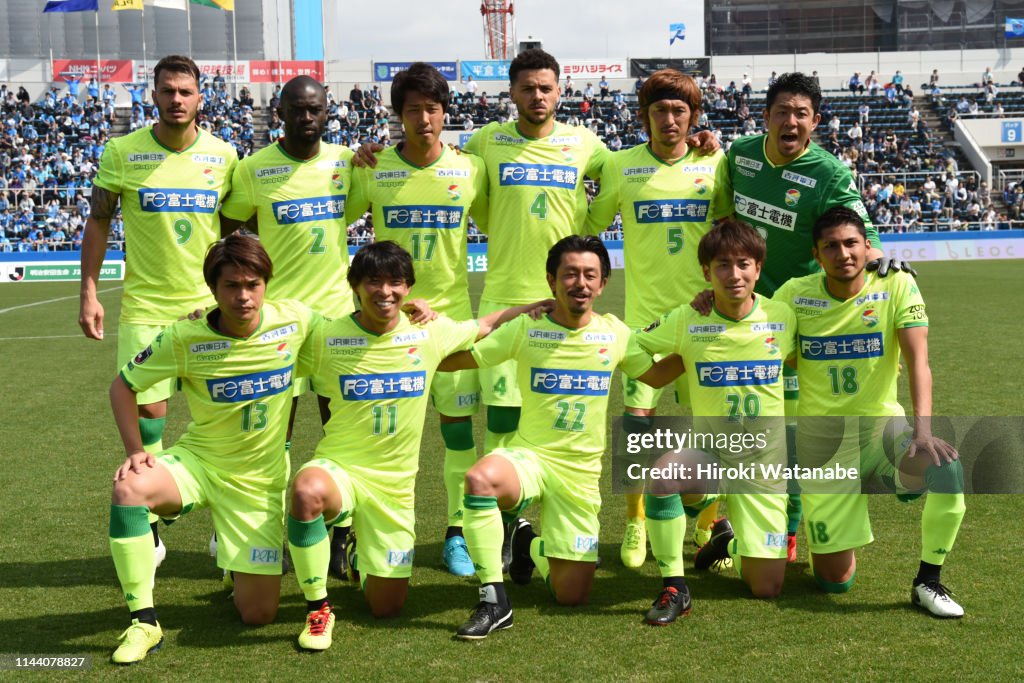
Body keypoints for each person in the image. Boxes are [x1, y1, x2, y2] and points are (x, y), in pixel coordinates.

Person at [286, 241, 547, 650]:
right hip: (341, 469)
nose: (385, 292)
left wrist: (537, 307)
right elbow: (265, 340)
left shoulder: (428, 333)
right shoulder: (327, 336)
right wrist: (207, 317)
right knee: (306, 491)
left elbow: (488, 324)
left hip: (394, 487)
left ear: (408, 288)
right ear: (354, 285)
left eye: (396, 282)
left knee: (386, 607)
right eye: (374, 281)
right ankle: (318, 607)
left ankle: (356, 557)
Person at [445, 235, 682, 639]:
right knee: (479, 479)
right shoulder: (527, 327)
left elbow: (655, 375)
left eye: (590, 275)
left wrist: (706, 342)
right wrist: (408, 343)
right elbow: (463, 358)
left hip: (579, 471)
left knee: (571, 594)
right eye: (570, 274)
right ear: (552, 280)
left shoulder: (615, 334)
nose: (580, 283)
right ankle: (492, 600)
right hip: (530, 457)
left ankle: (527, 544)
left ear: (604, 282)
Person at [721, 72, 909, 561]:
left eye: (801, 113)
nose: (790, 120)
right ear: (764, 117)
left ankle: (789, 530)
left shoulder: (828, 173)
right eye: (782, 111)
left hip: (799, 318)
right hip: (741, 312)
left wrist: (880, 256)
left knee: (793, 434)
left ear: (815, 122)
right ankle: (724, 521)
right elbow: (719, 210)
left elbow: (856, 230)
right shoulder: (738, 156)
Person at [106, 234, 315, 663]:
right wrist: (134, 450)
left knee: (258, 614)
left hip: (257, 484)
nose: (243, 296)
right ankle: (144, 622)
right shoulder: (185, 336)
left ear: (266, 284)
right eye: (231, 286)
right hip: (199, 463)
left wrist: (409, 313)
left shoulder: (295, 321)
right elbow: (124, 386)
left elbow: (358, 330)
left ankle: (235, 569)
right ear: (213, 289)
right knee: (130, 489)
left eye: (252, 284)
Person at [79, 55, 238, 566]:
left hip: (207, 307)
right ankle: (148, 519)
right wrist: (89, 291)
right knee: (149, 413)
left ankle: (225, 525)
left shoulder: (224, 155)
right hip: (146, 304)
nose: (176, 99)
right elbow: (100, 221)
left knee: (224, 417)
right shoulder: (123, 152)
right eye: (167, 90)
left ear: (199, 97)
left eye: (185, 91)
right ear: (154, 95)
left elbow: (233, 230)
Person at [771, 207, 965, 617]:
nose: (843, 253)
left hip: (882, 431)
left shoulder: (896, 283)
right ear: (817, 255)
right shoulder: (794, 293)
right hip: (823, 447)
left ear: (867, 247)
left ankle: (928, 581)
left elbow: (918, 361)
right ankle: (741, 542)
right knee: (834, 583)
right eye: (831, 246)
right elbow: (766, 345)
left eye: (850, 243)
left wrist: (923, 431)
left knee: (945, 466)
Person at [344, 62, 490, 577]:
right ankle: (361, 533)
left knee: (457, 434)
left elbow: (501, 220)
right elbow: (330, 213)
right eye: (412, 110)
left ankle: (456, 532)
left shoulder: (471, 169)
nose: (423, 119)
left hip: (448, 321)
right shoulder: (373, 167)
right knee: (374, 434)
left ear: (444, 112)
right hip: (385, 321)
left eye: (431, 108)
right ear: (397, 115)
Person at [583, 69, 731, 567]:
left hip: (703, 320)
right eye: (660, 111)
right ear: (645, 116)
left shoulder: (715, 164)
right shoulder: (623, 166)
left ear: (693, 117)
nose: (670, 120)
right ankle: (635, 520)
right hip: (644, 323)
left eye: (680, 111)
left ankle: (709, 525)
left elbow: (734, 233)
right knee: (638, 424)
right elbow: (588, 225)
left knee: (709, 425)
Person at [219, 75, 357, 577]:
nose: (306, 117)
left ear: (327, 113)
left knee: (342, 435)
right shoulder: (255, 170)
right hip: (275, 326)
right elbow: (228, 232)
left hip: (337, 323)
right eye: (297, 109)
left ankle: (341, 535)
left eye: (315, 109)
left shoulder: (347, 164)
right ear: (279, 112)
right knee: (269, 439)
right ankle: (260, 535)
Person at [632, 220, 796, 623]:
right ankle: (675, 585)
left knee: (767, 587)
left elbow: (813, 351)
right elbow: (633, 344)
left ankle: (728, 543)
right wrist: (666, 369)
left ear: (758, 268)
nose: (734, 274)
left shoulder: (784, 317)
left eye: (743, 264)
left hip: (763, 463)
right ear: (706, 273)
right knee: (663, 477)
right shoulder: (689, 318)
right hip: (711, 454)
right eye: (722, 265)